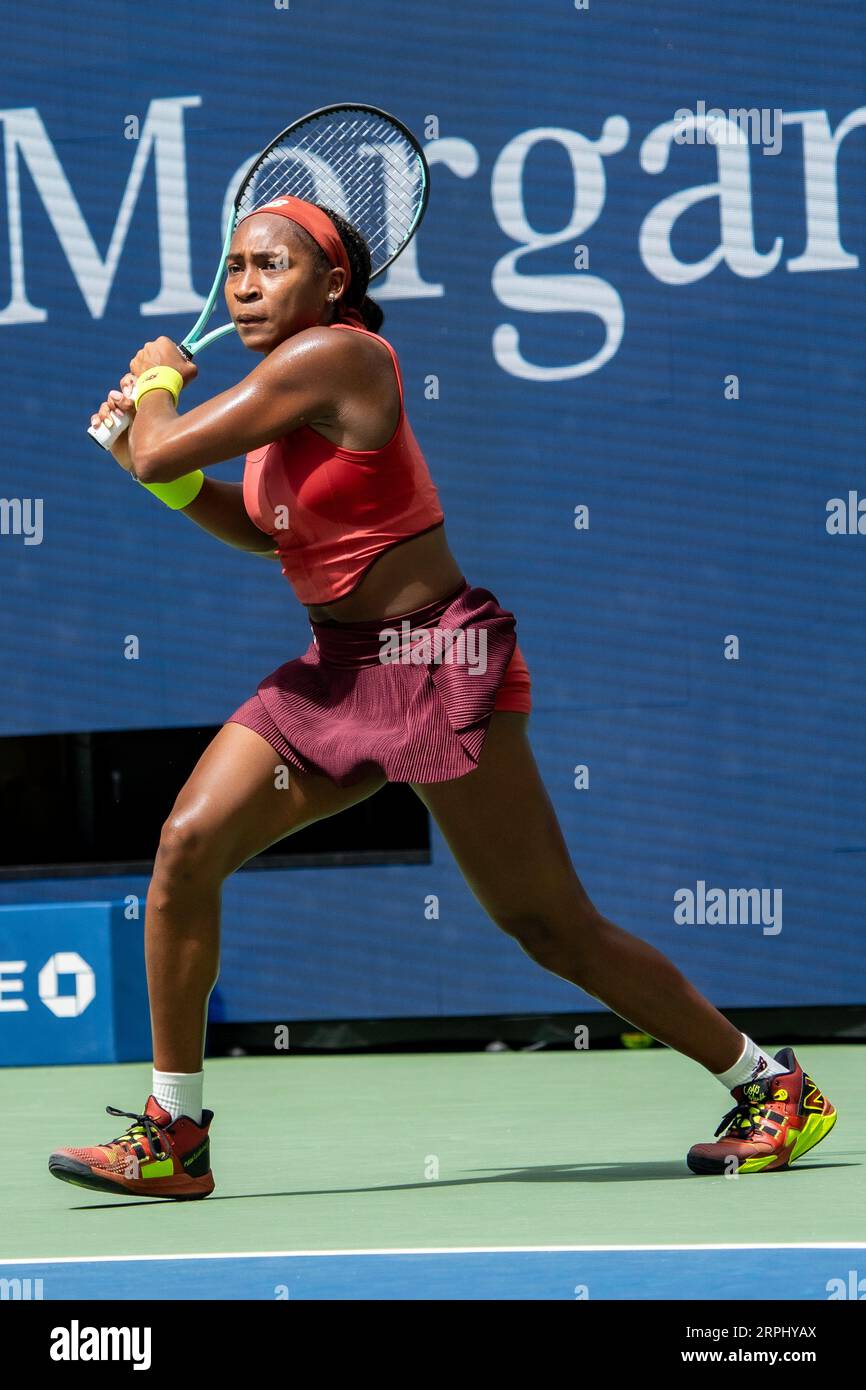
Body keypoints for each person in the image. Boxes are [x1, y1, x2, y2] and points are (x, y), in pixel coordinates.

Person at [49, 197, 836, 1199]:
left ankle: (771, 1086)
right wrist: (149, 469)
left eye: (269, 266)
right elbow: (264, 529)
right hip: (333, 670)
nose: (243, 284)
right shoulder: (277, 397)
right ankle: (174, 1131)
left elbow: (165, 442)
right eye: (234, 266)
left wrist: (154, 389)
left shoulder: (336, 356)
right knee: (186, 845)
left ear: (331, 285)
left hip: (431, 663)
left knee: (549, 927)